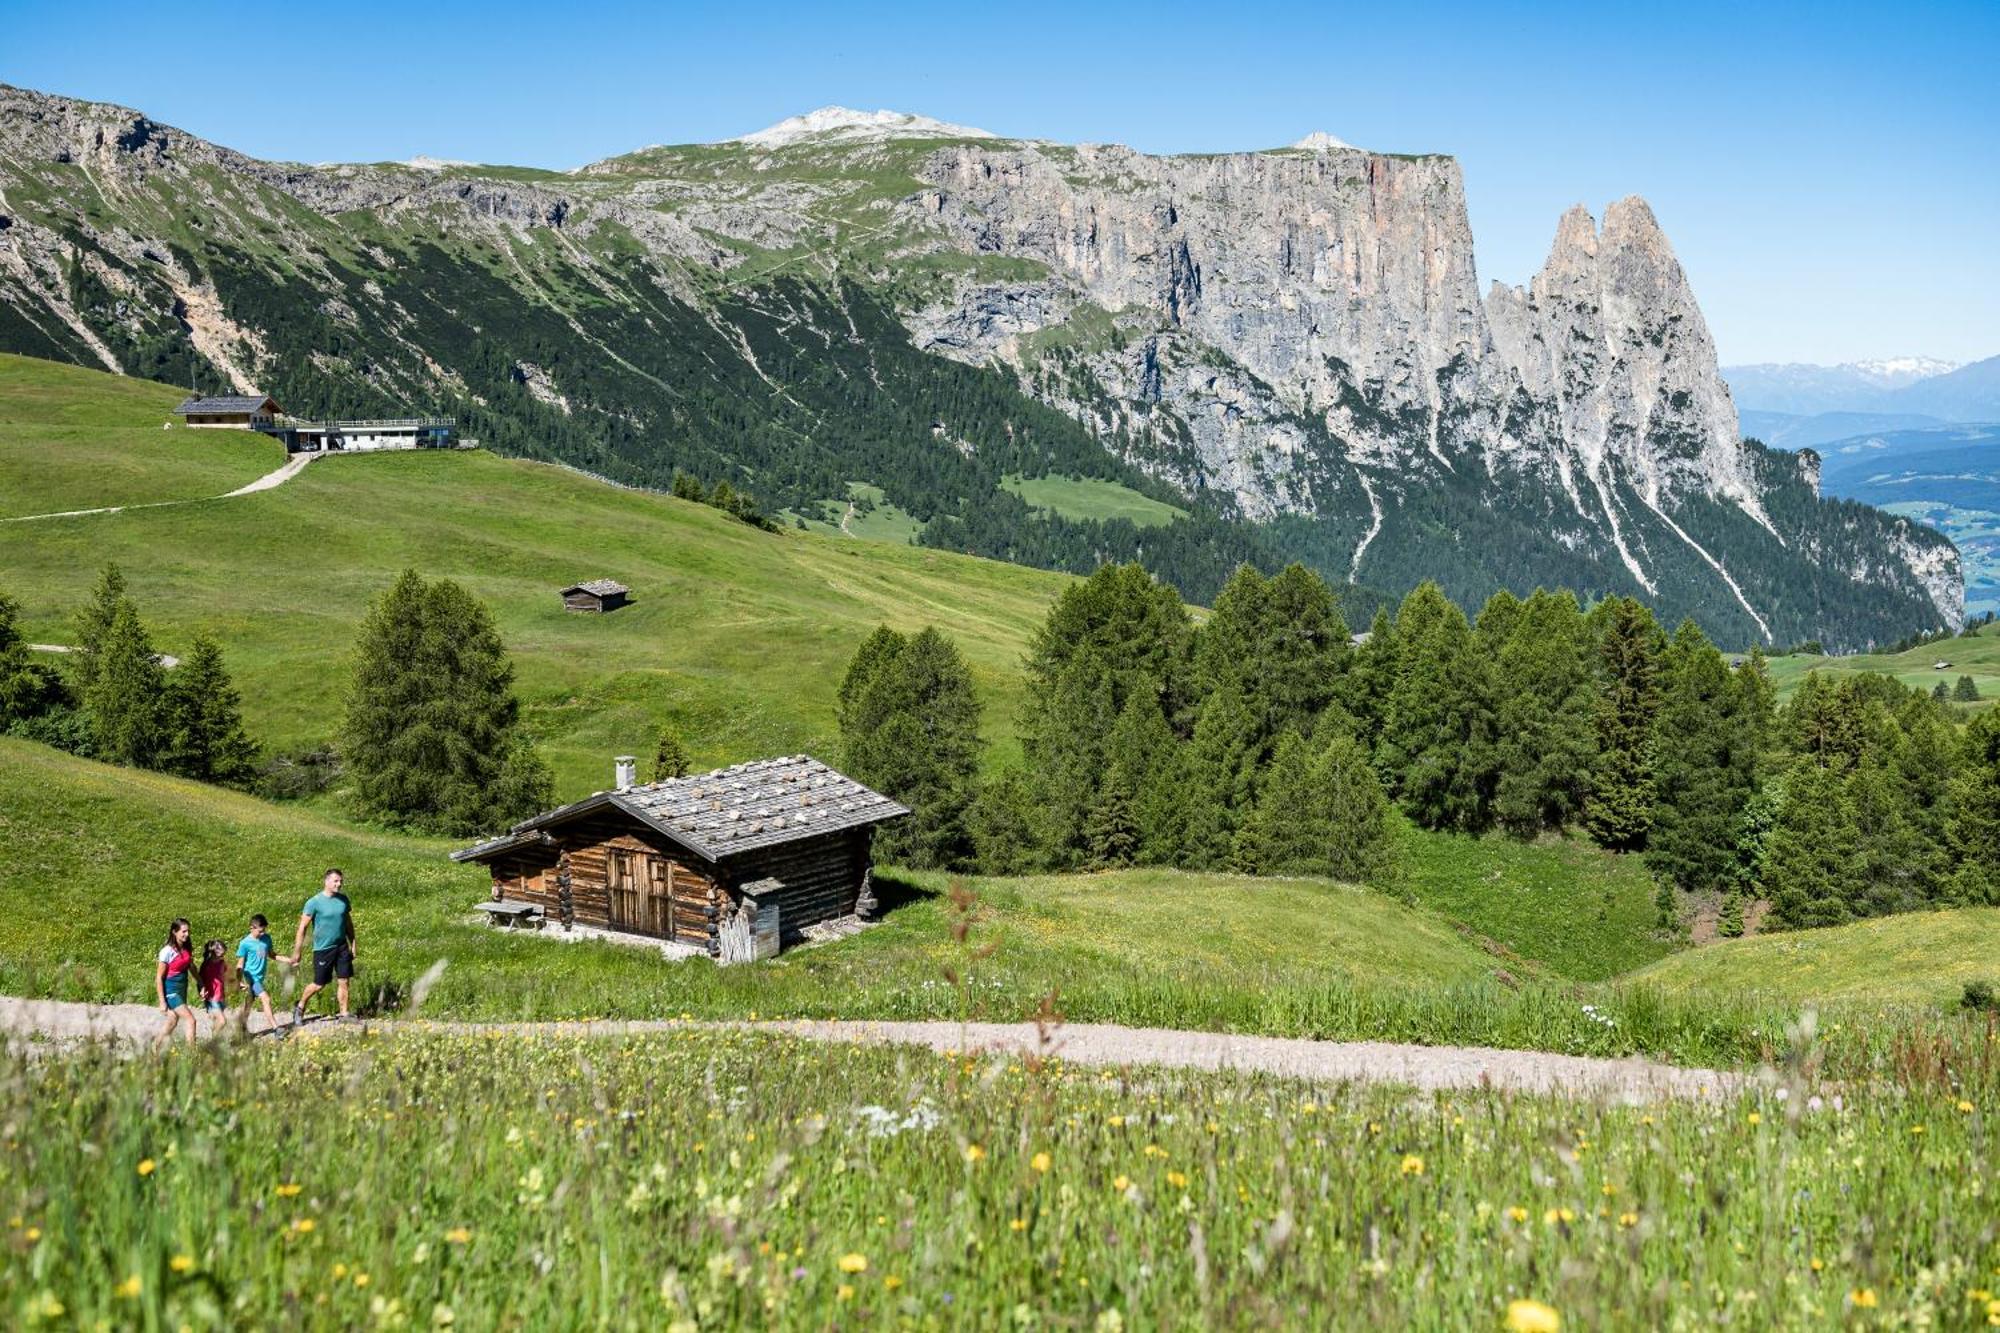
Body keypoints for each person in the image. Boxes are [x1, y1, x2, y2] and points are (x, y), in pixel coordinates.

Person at [287, 868, 355, 1027]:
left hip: (342, 947)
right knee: (319, 984)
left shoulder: (343, 900)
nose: (339, 884)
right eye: (336, 881)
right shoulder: (314, 902)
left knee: (344, 981)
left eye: (340, 881)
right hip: (323, 949)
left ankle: (344, 1013)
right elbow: (302, 928)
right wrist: (297, 951)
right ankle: (300, 1006)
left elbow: (348, 923)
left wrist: (353, 943)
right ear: (326, 881)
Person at [153, 919, 197, 1050]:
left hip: (181, 989)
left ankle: (155, 1047)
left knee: (172, 1021)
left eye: (188, 931)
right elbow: (159, 978)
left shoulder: (186, 947)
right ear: (174, 932)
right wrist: (162, 1001)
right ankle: (192, 1055)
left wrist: (201, 983)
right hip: (171, 991)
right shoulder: (166, 952)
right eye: (184, 931)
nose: (187, 934)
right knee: (191, 1020)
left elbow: (191, 966)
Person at [235, 913, 280, 1034]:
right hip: (251, 977)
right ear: (252, 928)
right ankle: (276, 1028)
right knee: (266, 998)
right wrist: (239, 981)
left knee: (249, 1002)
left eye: (264, 930)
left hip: (260, 977)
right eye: (260, 931)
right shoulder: (245, 943)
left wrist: (288, 960)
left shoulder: (266, 938)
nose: (263, 933)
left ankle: (241, 1028)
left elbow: (272, 955)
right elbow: (240, 965)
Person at [197, 939, 230, 1034]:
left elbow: (228, 976)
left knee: (217, 1022)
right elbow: (200, 981)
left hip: (221, 996)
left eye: (223, 955)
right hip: (211, 998)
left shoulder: (222, 963)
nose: (222, 957)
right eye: (221, 954)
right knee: (222, 1021)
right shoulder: (206, 965)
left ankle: (214, 1041)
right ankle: (213, 1043)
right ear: (214, 952)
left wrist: (238, 984)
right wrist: (201, 992)